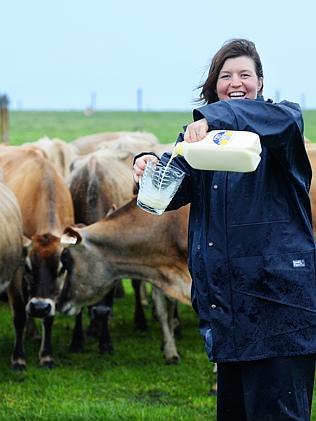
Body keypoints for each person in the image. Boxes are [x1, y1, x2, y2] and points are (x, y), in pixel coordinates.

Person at [132, 38, 316, 420]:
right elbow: (169, 191)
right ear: (214, 84)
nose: (236, 82)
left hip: (278, 308)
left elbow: (282, 120)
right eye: (226, 75)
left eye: (245, 75)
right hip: (228, 311)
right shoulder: (200, 141)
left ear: (260, 82)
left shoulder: (280, 126)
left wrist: (214, 119)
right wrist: (149, 166)